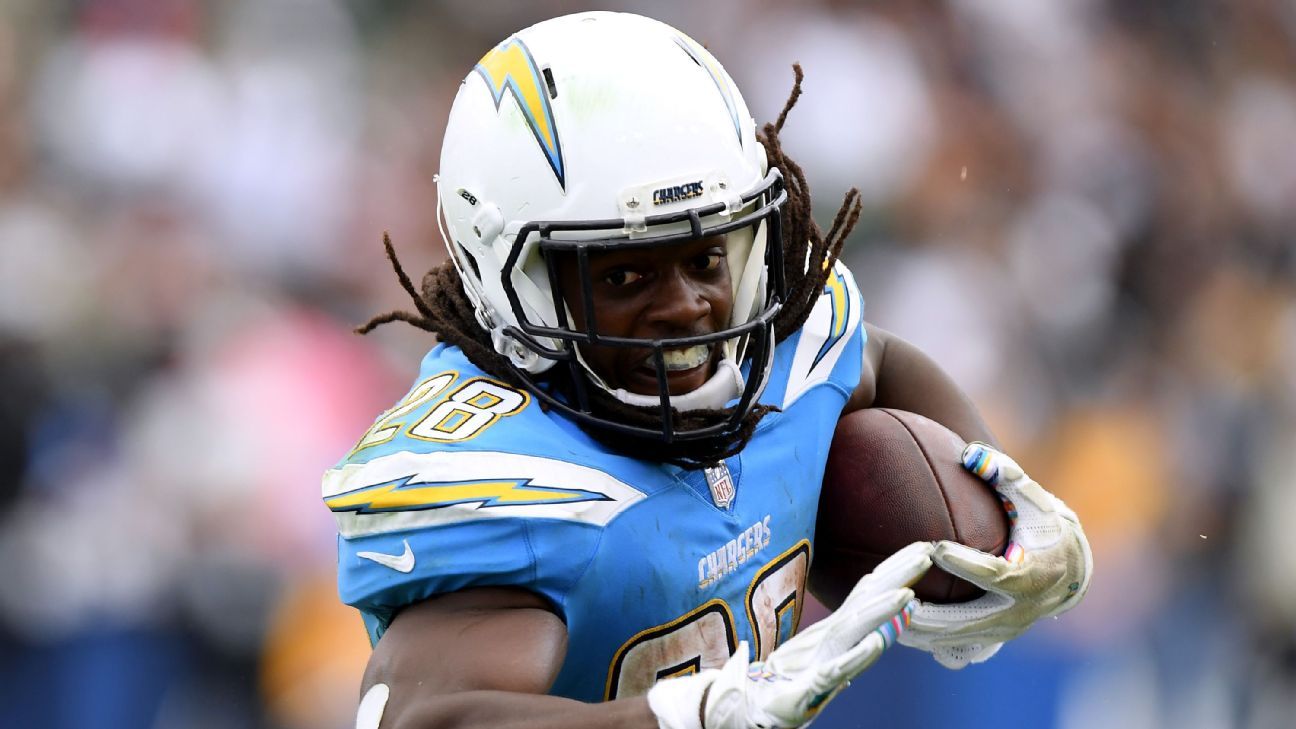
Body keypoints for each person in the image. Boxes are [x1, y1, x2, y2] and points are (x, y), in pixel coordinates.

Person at [322, 11, 1091, 729]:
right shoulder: (517, 481)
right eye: (625, 274)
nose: (686, 306)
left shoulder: (789, 357)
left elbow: (873, 358)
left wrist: (1015, 519)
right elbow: (416, 717)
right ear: (510, 277)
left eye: (705, 258)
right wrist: (685, 715)